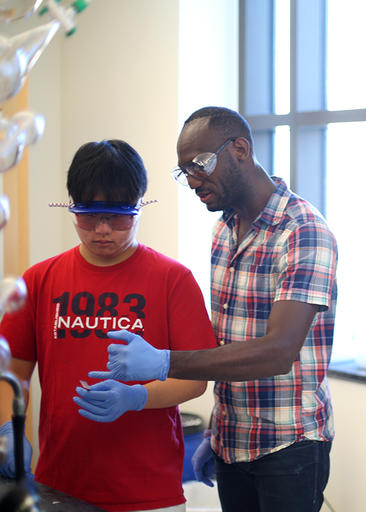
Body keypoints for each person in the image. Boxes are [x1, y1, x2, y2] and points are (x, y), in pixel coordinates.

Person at [89, 106, 338, 512]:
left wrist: (164, 362)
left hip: (288, 445)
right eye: (184, 170)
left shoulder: (302, 230)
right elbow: (228, 341)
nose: (191, 180)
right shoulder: (224, 229)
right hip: (231, 439)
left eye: (199, 165)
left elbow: (278, 352)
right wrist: (216, 427)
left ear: (240, 149)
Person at [0, 139, 218, 511]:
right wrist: (10, 428)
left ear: (139, 207)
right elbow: (12, 372)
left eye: (117, 217)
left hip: (149, 490)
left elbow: (195, 379)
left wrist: (138, 397)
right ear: (72, 207)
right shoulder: (39, 280)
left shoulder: (172, 280)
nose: (102, 229)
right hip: (61, 484)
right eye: (89, 216)